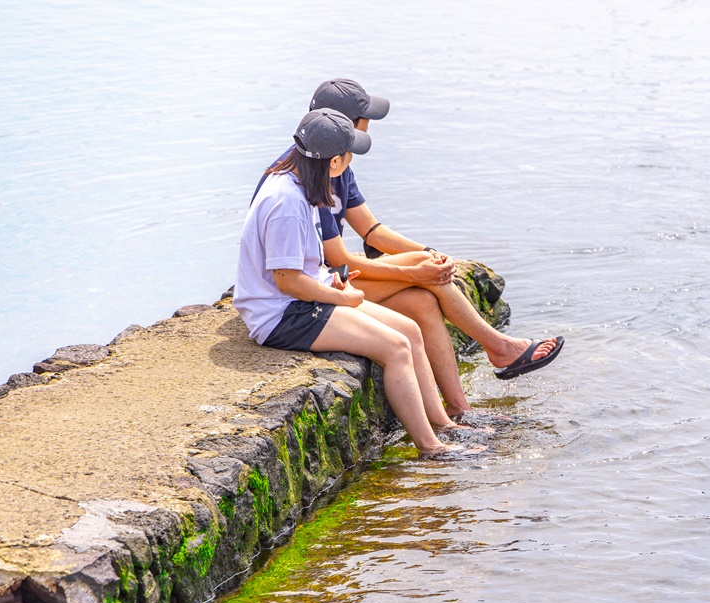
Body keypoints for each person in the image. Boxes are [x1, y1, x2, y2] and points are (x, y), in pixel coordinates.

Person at [257, 78, 564, 418]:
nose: (369, 125)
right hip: (325, 283)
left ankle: (460, 410)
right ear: (343, 127)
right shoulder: (313, 174)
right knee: (424, 278)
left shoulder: (337, 165)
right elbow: (337, 258)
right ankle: (500, 348)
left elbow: (371, 231)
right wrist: (414, 271)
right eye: (364, 118)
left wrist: (430, 253)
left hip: (333, 277)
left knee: (422, 300)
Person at [234, 108, 478, 459]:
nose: (351, 163)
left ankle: (445, 425)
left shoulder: (298, 183)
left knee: (409, 329)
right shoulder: (285, 202)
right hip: (282, 316)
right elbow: (287, 281)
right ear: (334, 163)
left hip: (305, 298)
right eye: (349, 155)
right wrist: (344, 299)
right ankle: (432, 449)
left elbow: (303, 267)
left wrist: (331, 284)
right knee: (395, 347)